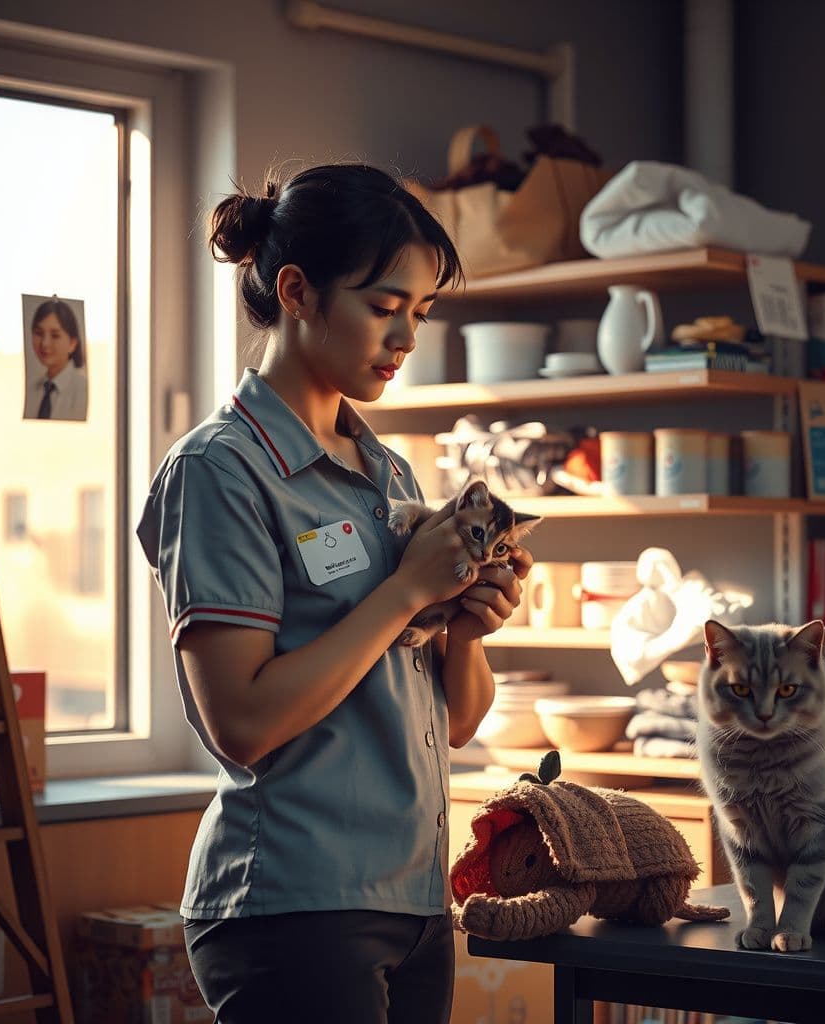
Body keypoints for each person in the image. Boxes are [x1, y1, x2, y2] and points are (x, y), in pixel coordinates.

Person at [136, 163, 534, 1024]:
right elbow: (240, 724)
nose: (405, 339)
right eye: (385, 307)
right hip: (295, 900)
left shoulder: (383, 470)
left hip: (416, 898)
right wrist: (401, 594)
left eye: (420, 315)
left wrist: (467, 623)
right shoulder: (220, 471)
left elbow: (455, 723)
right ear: (297, 290)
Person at [23, 297, 88, 421]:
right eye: (39, 333)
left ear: (72, 343)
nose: (45, 343)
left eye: (55, 335)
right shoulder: (33, 389)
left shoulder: (82, 389)